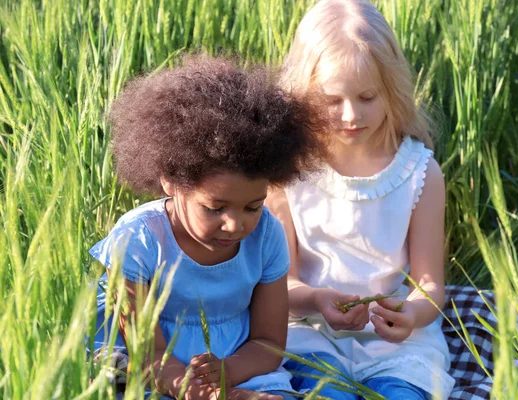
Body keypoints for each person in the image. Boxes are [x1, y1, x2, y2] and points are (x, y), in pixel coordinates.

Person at [91, 54, 325, 400]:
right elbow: (147, 353)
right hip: (153, 371)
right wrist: (193, 389)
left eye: (253, 206)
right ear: (171, 182)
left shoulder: (266, 236)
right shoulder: (139, 240)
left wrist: (228, 376)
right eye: (215, 208)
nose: (235, 224)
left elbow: (269, 343)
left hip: (240, 364)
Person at [266, 0, 456, 399]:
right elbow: (283, 284)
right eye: (332, 100)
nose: (351, 115)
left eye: (367, 97)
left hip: (398, 340)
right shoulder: (288, 172)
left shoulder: (418, 172)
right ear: (302, 92)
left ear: (392, 90)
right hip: (312, 332)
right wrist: (318, 299)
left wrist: (412, 314)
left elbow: (429, 285)